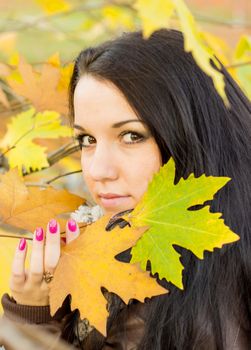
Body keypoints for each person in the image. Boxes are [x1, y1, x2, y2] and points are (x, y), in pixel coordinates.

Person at [1, 28, 251, 349]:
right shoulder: (118, 256)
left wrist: (30, 322)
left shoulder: (199, 312)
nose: (98, 171)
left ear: (191, 137)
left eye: (131, 136)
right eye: (87, 139)